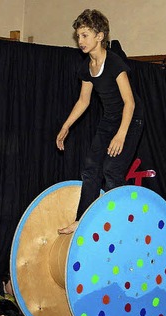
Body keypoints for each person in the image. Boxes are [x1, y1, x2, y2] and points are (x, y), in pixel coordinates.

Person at [56, 9, 144, 234]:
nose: (80, 41)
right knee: (90, 168)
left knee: (112, 168)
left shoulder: (114, 63)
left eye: (85, 35)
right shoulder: (86, 66)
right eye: (78, 36)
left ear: (99, 36)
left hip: (131, 119)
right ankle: (82, 219)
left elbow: (130, 103)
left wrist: (121, 135)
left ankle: (122, 219)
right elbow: (83, 101)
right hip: (110, 119)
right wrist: (66, 126)